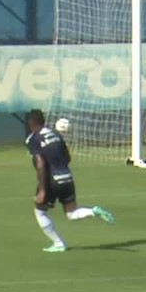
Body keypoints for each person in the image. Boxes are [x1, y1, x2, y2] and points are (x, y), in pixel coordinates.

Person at [24, 108, 114, 252]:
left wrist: (42, 189)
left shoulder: (32, 139)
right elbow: (68, 158)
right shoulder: (56, 134)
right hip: (67, 177)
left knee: (40, 211)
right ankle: (93, 211)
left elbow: (40, 163)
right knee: (71, 213)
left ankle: (58, 243)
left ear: (31, 122)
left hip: (51, 181)